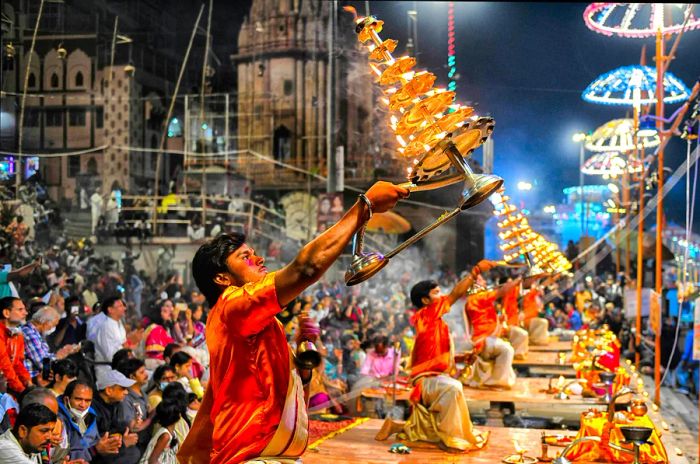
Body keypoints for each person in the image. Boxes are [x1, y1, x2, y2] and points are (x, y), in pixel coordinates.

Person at [178, 181, 407, 463]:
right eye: (245, 257)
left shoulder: (252, 319)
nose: (259, 259)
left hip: (271, 454)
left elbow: (281, 394)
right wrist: (364, 207)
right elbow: (305, 268)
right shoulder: (231, 306)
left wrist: (303, 365)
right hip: (249, 455)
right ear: (222, 278)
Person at [374, 260, 496, 452]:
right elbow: (456, 294)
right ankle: (453, 438)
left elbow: (436, 356)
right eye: (437, 293)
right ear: (425, 301)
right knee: (453, 388)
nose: (442, 296)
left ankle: (398, 426)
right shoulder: (427, 315)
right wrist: (475, 272)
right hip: (425, 382)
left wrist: (462, 359)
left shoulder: (436, 322)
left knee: (453, 387)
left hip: (434, 378)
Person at [463, 274, 522, 388]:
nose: (484, 281)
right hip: (483, 341)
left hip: (488, 338)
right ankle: (497, 382)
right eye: (481, 280)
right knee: (507, 349)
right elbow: (502, 291)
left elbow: (483, 318)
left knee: (508, 346)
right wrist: (517, 280)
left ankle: (498, 379)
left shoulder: (476, 298)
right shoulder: (478, 297)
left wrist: (499, 320)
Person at [58, 380, 118, 462]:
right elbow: (60, 456)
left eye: (87, 401)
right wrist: (94, 450)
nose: (83, 405)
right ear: (66, 399)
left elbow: (95, 441)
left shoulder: (90, 415)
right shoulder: (58, 420)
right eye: (78, 399)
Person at [90, 369, 139, 464]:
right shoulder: (93, 410)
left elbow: (115, 428)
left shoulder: (114, 404)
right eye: (122, 388)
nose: (126, 392)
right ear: (109, 390)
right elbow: (97, 445)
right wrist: (123, 443)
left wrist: (128, 430)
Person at [22, 306, 77, 384]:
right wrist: (58, 356)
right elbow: (42, 363)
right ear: (46, 322)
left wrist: (62, 352)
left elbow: (45, 357)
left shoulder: (38, 334)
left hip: (37, 380)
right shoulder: (28, 333)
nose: (53, 328)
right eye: (54, 325)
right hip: (29, 381)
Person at [90, 296, 142, 370]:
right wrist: (129, 342)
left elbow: (123, 345)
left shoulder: (118, 323)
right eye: (120, 306)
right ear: (110, 310)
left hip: (122, 366)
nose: (125, 308)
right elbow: (110, 357)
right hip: (108, 370)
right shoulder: (105, 327)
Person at [115, 358, 150, 463]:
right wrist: (152, 416)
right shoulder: (126, 398)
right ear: (132, 377)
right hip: (132, 447)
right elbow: (132, 427)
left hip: (144, 444)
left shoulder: (143, 394)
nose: (146, 374)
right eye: (142, 372)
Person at [0, 296, 33, 394]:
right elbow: (5, 366)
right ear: (6, 313)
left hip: (10, 385)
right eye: (20, 309)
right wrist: (22, 390)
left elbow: (18, 363)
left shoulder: (18, 334)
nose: (26, 313)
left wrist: (28, 382)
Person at [143, 300, 175, 370]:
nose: (170, 312)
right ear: (158, 313)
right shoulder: (155, 328)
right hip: (154, 361)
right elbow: (154, 353)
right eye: (165, 311)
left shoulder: (165, 327)